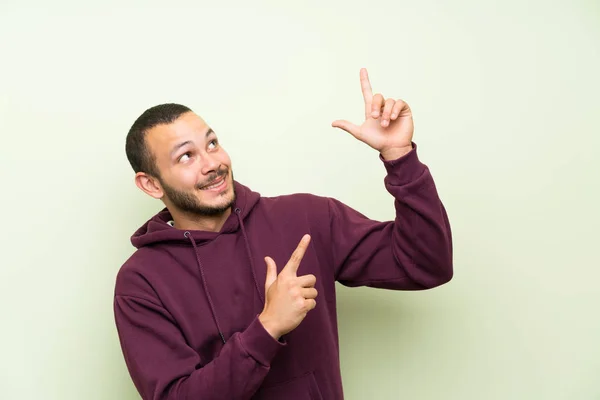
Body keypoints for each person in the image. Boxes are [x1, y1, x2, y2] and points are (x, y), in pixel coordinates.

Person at [113, 68, 453, 400]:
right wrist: (267, 328)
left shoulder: (306, 218)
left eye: (212, 144)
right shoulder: (140, 282)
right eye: (186, 156)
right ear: (151, 184)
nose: (212, 163)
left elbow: (427, 264)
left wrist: (399, 157)